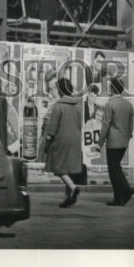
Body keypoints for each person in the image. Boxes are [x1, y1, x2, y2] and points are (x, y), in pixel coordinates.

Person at [43, 76, 83, 208]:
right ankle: (68, 197)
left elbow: (52, 129)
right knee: (69, 168)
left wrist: (47, 144)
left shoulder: (58, 106)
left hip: (61, 140)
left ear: (60, 90)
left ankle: (73, 187)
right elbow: (79, 125)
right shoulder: (78, 105)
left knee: (58, 166)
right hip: (75, 140)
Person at [97, 76, 134, 206]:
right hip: (123, 143)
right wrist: (127, 138)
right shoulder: (128, 105)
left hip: (113, 142)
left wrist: (99, 143)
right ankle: (119, 198)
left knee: (114, 171)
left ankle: (125, 192)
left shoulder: (110, 104)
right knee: (116, 168)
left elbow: (105, 125)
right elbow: (131, 126)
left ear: (112, 89)